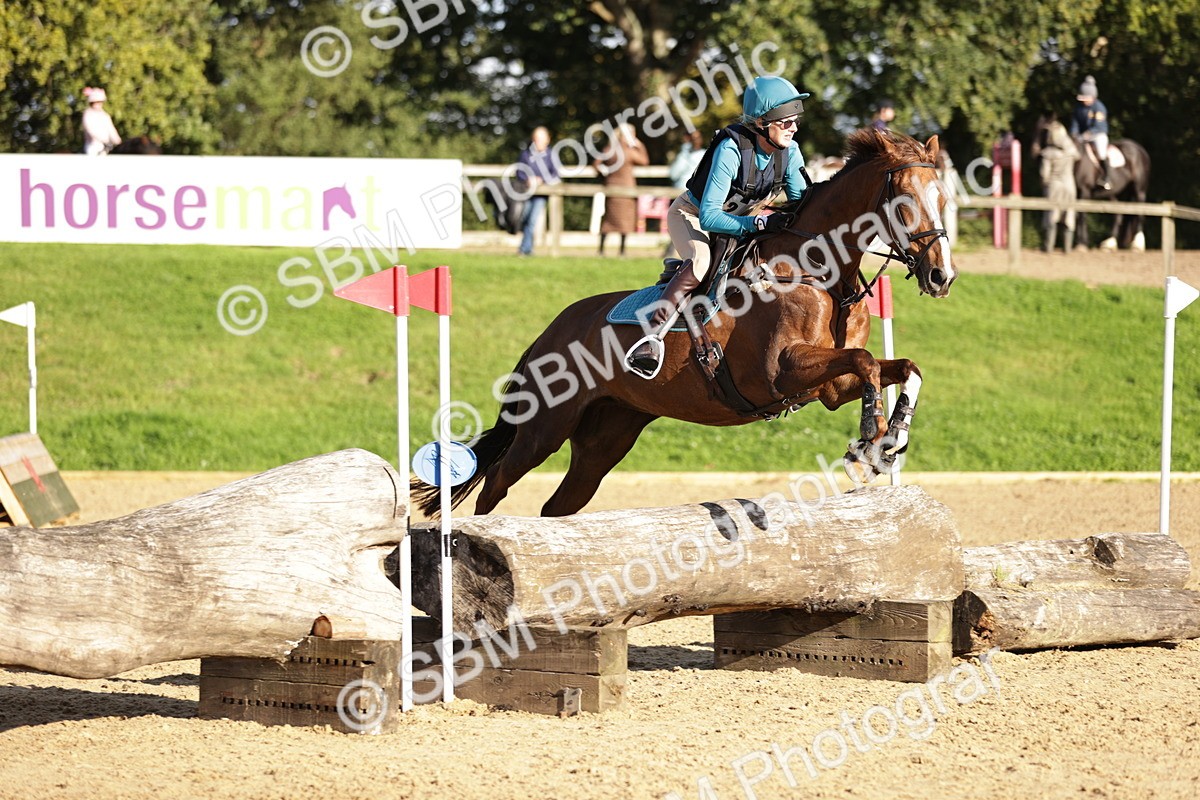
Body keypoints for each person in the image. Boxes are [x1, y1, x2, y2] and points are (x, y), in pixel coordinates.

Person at [626, 75, 811, 377]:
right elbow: (710, 216)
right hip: (693, 216)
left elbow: (800, 205)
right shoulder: (731, 148)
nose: (794, 127)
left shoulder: (790, 152)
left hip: (742, 222)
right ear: (763, 121)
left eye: (796, 121)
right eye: (786, 121)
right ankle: (651, 337)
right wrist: (760, 221)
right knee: (700, 262)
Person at [594, 123, 649, 257]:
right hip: (627, 189)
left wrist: (604, 174)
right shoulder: (629, 151)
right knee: (625, 220)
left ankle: (601, 250)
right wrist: (639, 145)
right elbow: (644, 161)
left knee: (608, 219)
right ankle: (622, 250)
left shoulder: (610, 149)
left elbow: (596, 163)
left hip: (611, 188)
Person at [516, 126, 559, 256]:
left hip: (541, 194)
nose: (539, 142)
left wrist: (542, 180)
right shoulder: (526, 154)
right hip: (527, 193)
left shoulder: (551, 155)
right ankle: (529, 248)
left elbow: (556, 174)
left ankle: (524, 250)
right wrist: (527, 179)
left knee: (532, 220)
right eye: (537, 139)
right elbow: (519, 172)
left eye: (541, 139)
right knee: (525, 219)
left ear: (548, 140)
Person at [1071, 75, 1111, 191]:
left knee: (1101, 151)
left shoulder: (1099, 107)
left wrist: (1085, 135)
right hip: (1082, 137)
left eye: (1086, 98)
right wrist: (1074, 134)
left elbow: (1098, 126)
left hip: (1098, 134)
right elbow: (1075, 123)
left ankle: (1106, 178)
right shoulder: (1078, 108)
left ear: (1093, 97)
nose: (1084, 101)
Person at [81, 86, 121, 155]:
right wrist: (104, 140)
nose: (98, 104)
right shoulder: (88, 114)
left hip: (107, 147)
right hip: (93, 146)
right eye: (96, 102)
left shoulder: (105, 115)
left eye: (100, 102)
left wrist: (118, 142)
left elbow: (111, 130)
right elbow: (90, 130)